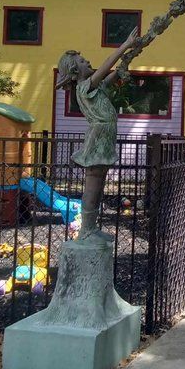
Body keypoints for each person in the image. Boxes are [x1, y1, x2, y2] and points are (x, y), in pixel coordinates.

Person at [55, 28, 142, 241]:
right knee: (93, 185)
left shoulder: (97, 85)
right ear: (75, 71)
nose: (88, 62)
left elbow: (113, 74)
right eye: (83, 62)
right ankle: (86, 230)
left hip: (105, 137)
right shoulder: (84, 86)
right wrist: (124, 46)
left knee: (99, 184)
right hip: (98, 137)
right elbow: (106, 66)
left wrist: (129, 59)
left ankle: (92, 227)